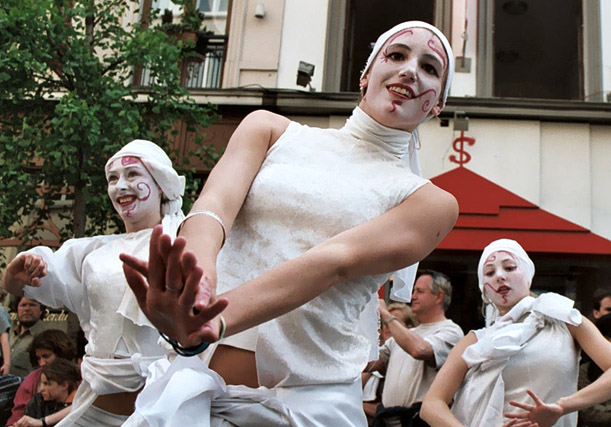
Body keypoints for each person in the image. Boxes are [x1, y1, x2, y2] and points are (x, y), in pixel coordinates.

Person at [121, 20, 458, 426]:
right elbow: (214, 204)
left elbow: (335, 260)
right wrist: (196, 281)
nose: (410, 71)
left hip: (309, 407)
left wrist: (215, 319)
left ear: (437, 103)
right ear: (366, 75)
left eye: (430, 68)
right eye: (398, 55)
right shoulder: (269, 129)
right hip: (193, 391)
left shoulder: (431, 202)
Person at [3, 139, 186, 426]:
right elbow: (21, 287)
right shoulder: (91, 253)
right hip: (97, 408)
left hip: (164, 410)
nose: (120, 185)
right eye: (113, 178)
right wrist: (15, 274)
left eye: (133, 175)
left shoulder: (185, 240)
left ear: (161, 184)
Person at [420, 238, 611, 427]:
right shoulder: (475, 341)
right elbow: (431, 404)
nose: (499, 277)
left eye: (510, 267)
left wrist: (562, 407)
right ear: (484, 290)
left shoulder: (565, 319)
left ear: (528, 273)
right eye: (489, 272)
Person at [370, 271, 463, 427]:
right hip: (386, 421)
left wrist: (385, 315)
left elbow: (419, 350)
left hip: (418, 423)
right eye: (413, 291)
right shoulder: (405, 335)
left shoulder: (451, 331)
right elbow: (369, 364)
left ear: (439, 296)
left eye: (420, 291)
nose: (413, 297)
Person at [7, 329, 77, 426]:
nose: (42, 363)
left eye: (46, 356)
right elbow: (18, 416)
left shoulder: (82, 377)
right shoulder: (32, 380)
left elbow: (84, 405)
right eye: (38, 358)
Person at [15, 358, 81, 426]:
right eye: (42, 383)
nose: (42, 388)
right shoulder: (37, 400)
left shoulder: (79, 404)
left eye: (47, 384)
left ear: (64, 385)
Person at [9, 297, 47, 377]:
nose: (27, 309)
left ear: (41, 310)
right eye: (23, 305)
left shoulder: (45, 336)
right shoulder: (9, 334)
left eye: (32, 305)